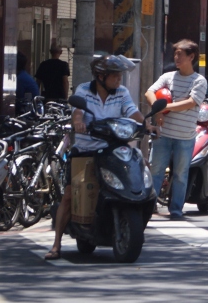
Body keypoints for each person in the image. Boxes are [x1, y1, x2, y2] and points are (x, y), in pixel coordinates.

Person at [45, 54, 141, 259]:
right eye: (115, 76)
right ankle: (56, 245)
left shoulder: (122, 92)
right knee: (70, 195)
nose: (119, 80)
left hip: (112, 148)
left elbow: (132, 111)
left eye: (120, 76)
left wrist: (147, 124)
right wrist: (78, 122)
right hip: (85, 150)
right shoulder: (83, 91)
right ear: (100, 76)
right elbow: (77, 111)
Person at [144, 39, 208, 221]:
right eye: (175, 54)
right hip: (163, 134)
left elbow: (190, 103)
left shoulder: (199, 81)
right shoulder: (168, 77)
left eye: (181, 54)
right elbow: (149, 92)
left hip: (185, 136)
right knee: (156, 171)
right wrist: (157, 109)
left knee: (180, 174)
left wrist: (166, 108)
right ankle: (148, 208)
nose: (177, 57)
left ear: (191, 57)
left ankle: (176, 210)